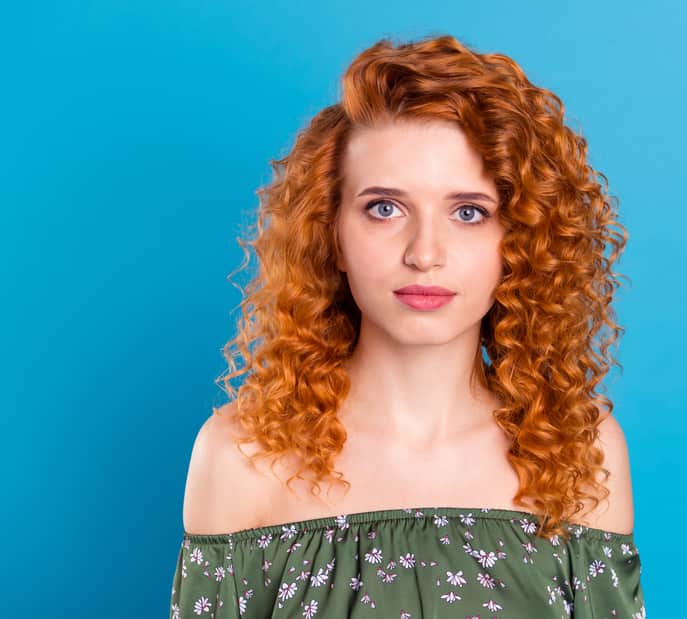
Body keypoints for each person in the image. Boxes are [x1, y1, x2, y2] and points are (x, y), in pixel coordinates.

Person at [169, 33, 646, 618]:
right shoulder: (242, 456)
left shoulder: (579, 452)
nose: (425, 253)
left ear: (517, 239)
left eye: (468, 212)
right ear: (331, 232)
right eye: (384, 208)